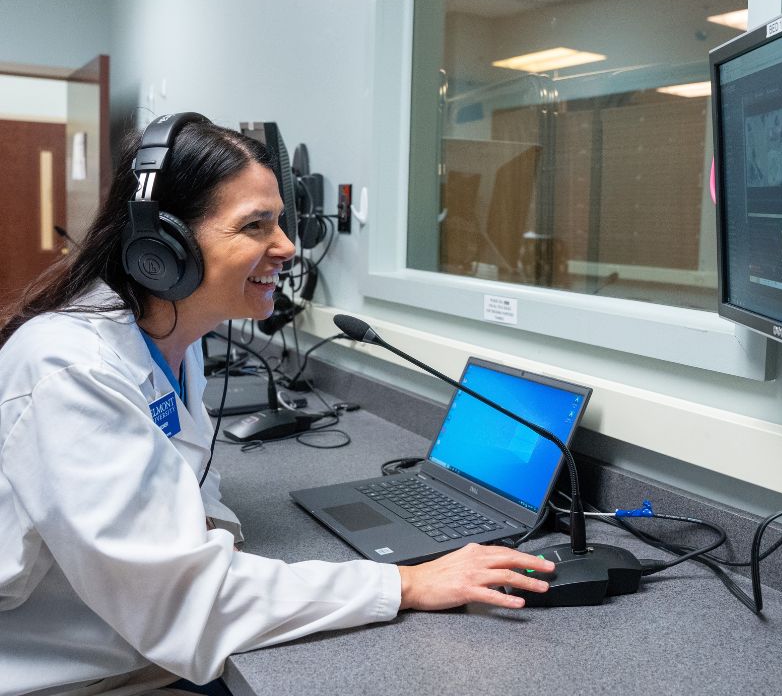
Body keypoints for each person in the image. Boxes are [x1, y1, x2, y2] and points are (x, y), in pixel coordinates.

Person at [0, 114, 554, 696]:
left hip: (132, 643)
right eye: (256, 225)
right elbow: (186, 607)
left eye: (281, 222)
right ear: (161, 247)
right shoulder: (72, 371)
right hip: (75, 675)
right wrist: (405, 584)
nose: (287, 247)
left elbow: (179, 486)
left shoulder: (171, 337)